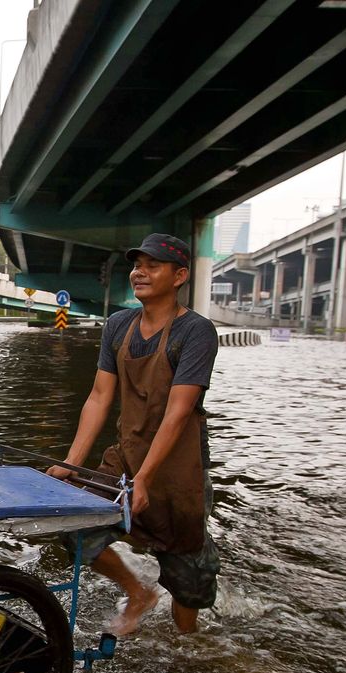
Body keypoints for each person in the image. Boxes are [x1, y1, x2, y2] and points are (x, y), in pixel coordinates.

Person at [47, 233, 220, 635]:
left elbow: (178, 414)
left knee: (187, 575)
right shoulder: (118, 325)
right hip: (126, 453)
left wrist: (144, 480)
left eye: (152, 265)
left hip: (179, 470)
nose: (139, 272)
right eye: (137, 264)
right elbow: (98, 396)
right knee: (73, 522)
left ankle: (188, 647)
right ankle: (138, 592)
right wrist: (71, 463)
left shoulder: (195, 332)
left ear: (179, 276)